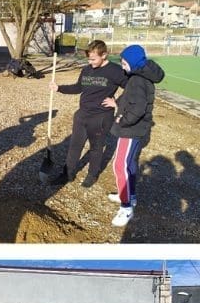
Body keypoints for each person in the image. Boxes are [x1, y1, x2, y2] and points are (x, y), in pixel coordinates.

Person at [50, 39, 127, 186]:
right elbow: (78, 87)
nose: (90, 62)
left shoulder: (116, 71)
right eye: (89, 59)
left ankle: (92, 175)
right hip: (82, 114)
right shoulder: (87, 69)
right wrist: (59, 88)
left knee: (96, 147)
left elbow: (131, 88)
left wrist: (117, 102)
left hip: (101, 116)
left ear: (104, 55)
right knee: (74, 145)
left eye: (93, 59)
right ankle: (68, 174)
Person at [104, 44, 165, 227]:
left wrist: (121, 120)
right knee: (129, 164)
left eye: (124, 63)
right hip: (135, 129)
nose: (122, 66)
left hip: (130, 130)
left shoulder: (138, 80)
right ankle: (129, 195)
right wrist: (116, 103)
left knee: (119, 165)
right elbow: (128, 98)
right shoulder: (137, 77)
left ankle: (126, 208)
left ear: (134, 63)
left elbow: (137, 109)